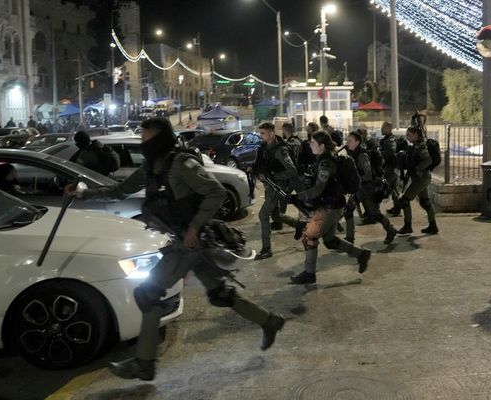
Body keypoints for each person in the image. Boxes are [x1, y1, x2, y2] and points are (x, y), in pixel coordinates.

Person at [64, 117, 284, 381]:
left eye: (146, 136)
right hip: (186, 241)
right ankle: (269, 321)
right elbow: (122, 190)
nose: (143, 140)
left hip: (188, 243)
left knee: (148, 294)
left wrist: (194, 228)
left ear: (158, 138)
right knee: (220, 293)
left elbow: (216, 192)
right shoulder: (152, 166)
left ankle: (144, 363)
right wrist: (83, 194)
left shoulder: (180, 164)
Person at [289, 130, 371, 284]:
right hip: (332, 205)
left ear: (321, 146)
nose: (310, 145)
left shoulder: (326, 163)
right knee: (330, 241)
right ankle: (361, 254)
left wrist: (297, 196)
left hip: (330, 207)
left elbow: (318, 189)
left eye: (313, 142)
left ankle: (309, 273)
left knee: (310, 236)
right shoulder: (323, 159)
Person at [251, 122, 298, 261]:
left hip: (277, 187)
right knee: (275, 214)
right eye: (260, 133)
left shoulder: (280, 150)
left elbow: (292, 170)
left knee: (263, 214)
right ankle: (299, 224)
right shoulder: (266, 147)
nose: (261, 136)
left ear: (271, 133)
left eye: (263, 133)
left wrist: (273, 176)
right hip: (269, 186)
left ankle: (267, 249)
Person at [344, 131, 397, 245]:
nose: (347, 143)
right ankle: (349, 237)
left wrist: (354, 180)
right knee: (348, 210)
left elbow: (367, 174)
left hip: (366, 188)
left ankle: (390, 230)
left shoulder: (362, 155)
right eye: (347, 141)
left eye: (350, 141)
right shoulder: (353, 153)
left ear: (357, 142)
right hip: (360, 188)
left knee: (374, 214)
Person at [397, 127, 438, 235]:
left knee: (404, 200)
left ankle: (407, 226)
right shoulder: (416, 146)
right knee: (425, 202)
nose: (407, 137)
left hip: (421, 178)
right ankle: (433, 226)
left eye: (409, 134)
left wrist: (417, 168)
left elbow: (429, 160)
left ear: (416, 135)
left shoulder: (421, 146)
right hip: (419, 178)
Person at [379, 122, 401, 215]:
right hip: (390, 167)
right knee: (393, 188)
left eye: (383, 128)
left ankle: (373, 210)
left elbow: (391, 151)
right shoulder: (385, 139)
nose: (381, 129)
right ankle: (397, 208)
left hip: (391, 167)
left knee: (382, 187)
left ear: (388, 129)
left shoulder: (391, 140)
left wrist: (381, 153)